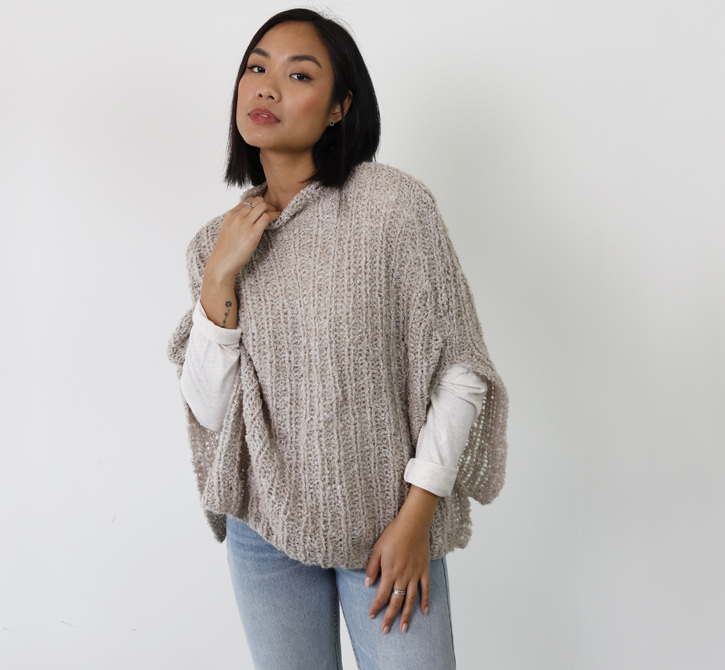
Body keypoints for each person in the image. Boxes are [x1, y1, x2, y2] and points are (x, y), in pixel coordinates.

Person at [165, 9, 510, 669]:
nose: (267, 87)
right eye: (256, 67)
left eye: (299, 75)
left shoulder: (392, 207)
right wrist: (219, 278)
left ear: (339, 107)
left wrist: (416, 519)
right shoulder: (215, 243)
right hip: (263, 532)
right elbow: (212, 413)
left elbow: (459, 370)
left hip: (388, 523)